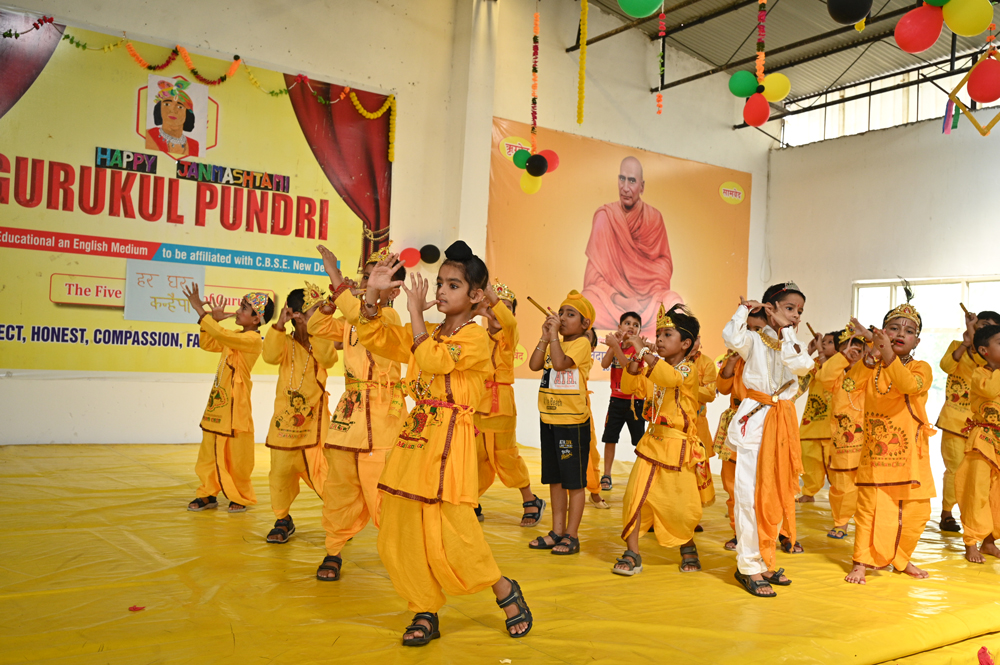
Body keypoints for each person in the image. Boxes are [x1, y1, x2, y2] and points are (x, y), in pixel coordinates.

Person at [361, 242, 532, 645]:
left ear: (476, 295)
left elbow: (434, 360)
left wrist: (415, 313)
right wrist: (371, 295)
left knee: (455, 532)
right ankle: (424, 608)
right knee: (400, 528)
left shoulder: (475, 337)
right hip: (414, 439)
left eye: (453, 285)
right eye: (440, 283)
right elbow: (377, 337)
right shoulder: (431, 332)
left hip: (450, 441)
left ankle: (504, 588)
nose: (440, 290)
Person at [308, 244, 407, 581]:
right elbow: (316, 327)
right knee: (340, 488)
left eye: (378, 277)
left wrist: (336, 278)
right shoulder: (351, 322)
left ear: (394, 290)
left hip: (382, 418)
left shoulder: (390, 319)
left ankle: (401, 553)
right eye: (366, 277)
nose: (368, 282)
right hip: (348, 417)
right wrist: (331, 301)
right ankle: (333, 549)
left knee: (382, 491)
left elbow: (362, 316)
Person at [723, 282, 813, 598]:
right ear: (770, 308)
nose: (796, 315)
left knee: (775, 492)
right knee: (749, 495)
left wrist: (787, 333)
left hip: (782, 425)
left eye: (800, 311)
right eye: (789, 308)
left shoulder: (793, 344)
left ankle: (765, 559)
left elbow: (802, 365)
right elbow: (731, 337)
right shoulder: (752, 340)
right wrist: (744, 310)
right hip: (755, 421)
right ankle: (748, 565)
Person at [844, 296, 936, 585]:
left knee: (917, 511)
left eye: (909, 331)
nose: (900, 334)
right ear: (882, 333)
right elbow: (849, 385)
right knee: (869, 509)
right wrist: (870, 356)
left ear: (916, 341)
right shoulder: (872, 366)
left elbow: (908, 386)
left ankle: (900, 558)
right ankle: (861, 562)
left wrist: (886, 355)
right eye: (894, 328)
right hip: (877, 453)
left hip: (911, 454)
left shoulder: (921, 368)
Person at [611, 305, 705, 576]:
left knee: (679, 505)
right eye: (659, 335)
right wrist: (635, 354)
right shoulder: (654, 366)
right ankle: (633, 552)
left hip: (678, 447)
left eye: (667, 335)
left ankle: (687, 545)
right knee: (634, 496)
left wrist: (645, 352)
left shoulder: (688, 369)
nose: (660, 340)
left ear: (686, 343)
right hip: (652, 441)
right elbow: (629, 386)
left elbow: (670, 378)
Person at [182, 285, 273, 513]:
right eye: (241, 306)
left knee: (238, 454)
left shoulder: (253, 340)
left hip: (236, 404)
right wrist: (212, 320)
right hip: (218, 403)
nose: (238, 311)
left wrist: (201, 312)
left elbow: (221, 336)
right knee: (208, 450)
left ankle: (239, 495)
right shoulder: (236, 336)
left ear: (256, 319)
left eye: (244, 308)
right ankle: (207, 493)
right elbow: (208, 343)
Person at [260, 284, 337, 542]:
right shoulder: (284, 341)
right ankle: (282, 519)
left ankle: (338, 520)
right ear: (297, 316)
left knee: (324, 472)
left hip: (316, 423)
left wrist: (319, 332)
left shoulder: (320, 341)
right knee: (280, 474)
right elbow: (269, 356)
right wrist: (279, 326)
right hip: (285, 425)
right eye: (315, 311)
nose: (321, 315)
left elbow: (329, 360)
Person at [528, 290, 595, 556]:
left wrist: (554, 337)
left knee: (574, 482)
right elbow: (535, 365)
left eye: (571, 314)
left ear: (585, 323)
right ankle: (556, 531)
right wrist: (545, 337)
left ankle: (572, 535)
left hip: (572, 423)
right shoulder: (554, 342)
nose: (563, 318)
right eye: (561, 313)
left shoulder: (582, 344)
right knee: (555, 480)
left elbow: (558, 364)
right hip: (549, 419)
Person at [474, 279, 546, 526]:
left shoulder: (510, 335)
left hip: (501, 404)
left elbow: (510, 323)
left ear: (512, 313)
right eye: (493, 307)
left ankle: (531, 499)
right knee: (474, 455)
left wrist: (492, 296)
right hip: (475, 402)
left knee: (506, 454)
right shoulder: (475, 336)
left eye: (505, 307)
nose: (498, 312)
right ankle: (472, 500)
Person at [582, 157, 681, 334]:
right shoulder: (605, 216)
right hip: (612, 302)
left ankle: (640, 327)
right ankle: (631, 326)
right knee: (586, 301)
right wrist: (622, 300)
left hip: (647, 303)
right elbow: (594, 275)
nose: (625, 187)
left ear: (642, 186)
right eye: (622, 179)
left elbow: (664, 266)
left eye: (632, 181)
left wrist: (645, 295)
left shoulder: (654, 218)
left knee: (674, 303)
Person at [935, 309, 1000, 533]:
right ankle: (947, 513)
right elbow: (946, 366)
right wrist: (965, 343)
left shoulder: (991, 356)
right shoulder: (958, 346)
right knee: (954, 469)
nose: (983, 328)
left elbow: (983, 361)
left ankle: (976, 521)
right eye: (982, 324)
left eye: (990, 327)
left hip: (985, 428)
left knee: (981, 477)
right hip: (954, 421)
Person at [714, 309, 768, 550]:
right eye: (748, 329)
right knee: (733, 485)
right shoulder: (735, 357)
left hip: (762, 425)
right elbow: (723, 388)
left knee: (765, 485)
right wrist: (731, 363)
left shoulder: (771, 358)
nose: (752, 335)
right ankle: (740, 533)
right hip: (735, 424)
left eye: (758, 330)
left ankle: (775, 534)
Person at [816, 326, 868, 539]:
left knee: (870, 485)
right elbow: (823, 377)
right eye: (847, 349)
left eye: (858, 349)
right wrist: (843, 358)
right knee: (842, 485)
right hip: (845, 441)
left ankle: (868, 524)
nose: (853, 353)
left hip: (871, 440)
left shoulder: (873, 372)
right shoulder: (837, 377)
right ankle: (841, 522)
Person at [957, 322, 1000, 563]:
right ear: (984, 351)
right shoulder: (980, 374)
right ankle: (971, 542)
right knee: (977, 491)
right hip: (983, 440)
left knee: (997, 493)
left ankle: (989, 541)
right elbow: (992, 390)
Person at [599, 311, 645, 491]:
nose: (631, 327)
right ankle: (607, 474)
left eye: (636, 325)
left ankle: (642, 474)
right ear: (619, 327)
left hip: (636, 402)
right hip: (616, 400)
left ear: (639, 331)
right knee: (610, 438)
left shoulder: (638, 349)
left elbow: (628, 368)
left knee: (640, 442)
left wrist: (615, 347)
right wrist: (614, 345)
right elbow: (604, 364)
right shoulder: (616, 345)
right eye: (627, 323)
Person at [797, 331, 837, 503]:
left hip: (834, 427)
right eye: (823, 341)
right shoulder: (814, 364)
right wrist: (809, 352)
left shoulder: (843, 364)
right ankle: (808, 491)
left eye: (829, 342)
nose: (824, 344)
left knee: (836, 466)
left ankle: (841, 497)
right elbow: (798, 383)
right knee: (808, 461)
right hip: (811, 424)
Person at [688, 337, 718, 519]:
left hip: (697, 425)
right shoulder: (670, 361)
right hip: (674, 426)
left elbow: (710, 394)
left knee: (696, 472)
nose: (692, 343)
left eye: (696, 338)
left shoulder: (706, 363)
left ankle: (692, 516)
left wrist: (685, 384)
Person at [584, 328, 611, 509]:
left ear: (593, 348)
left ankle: (594, 492)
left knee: (589, 452)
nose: (581, 339)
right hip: (560, 412)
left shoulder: (584, 358)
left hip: (581, 411)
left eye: (586, 337)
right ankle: (568, 495)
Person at [146, 79, 200, 158]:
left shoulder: (194, 145)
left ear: (188, 114)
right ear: (159, 108)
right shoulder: (148, 135)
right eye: (167, 104)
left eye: (180, 106)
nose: (173, 110)